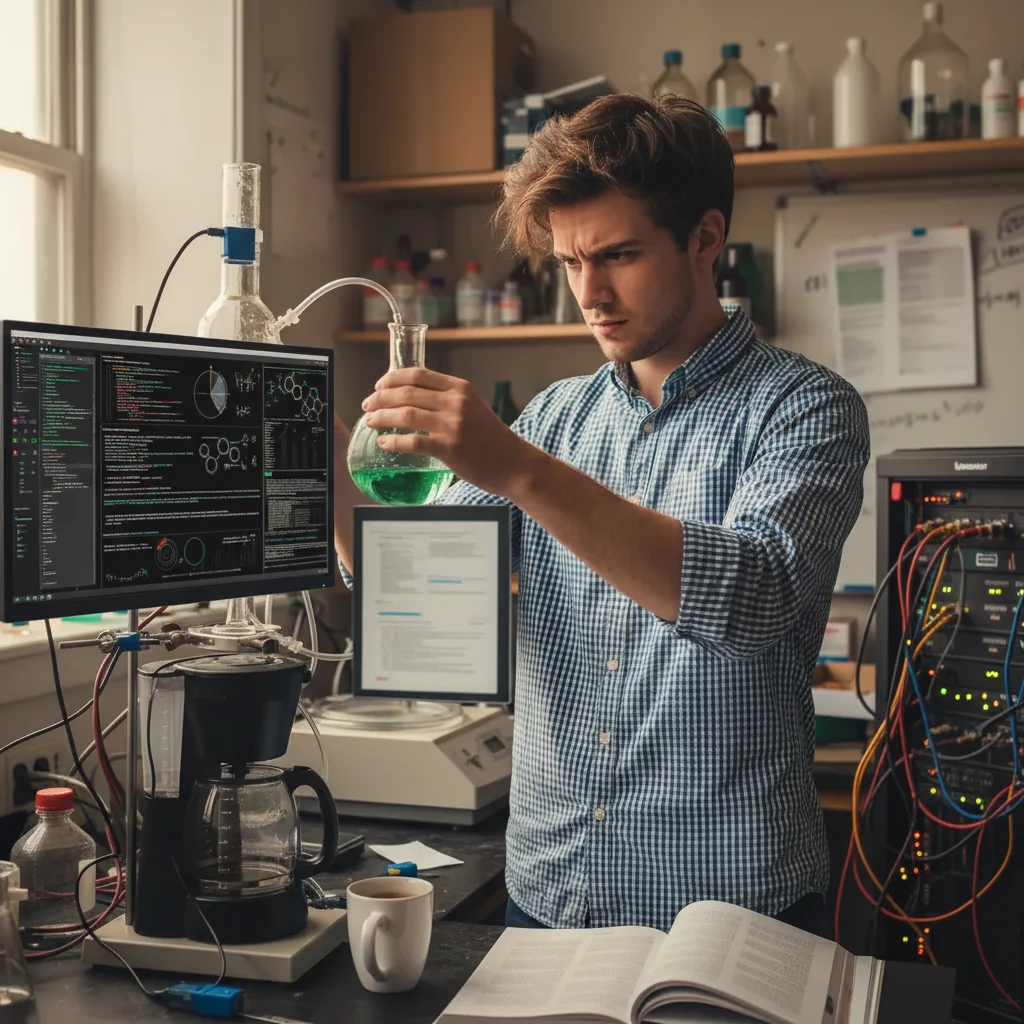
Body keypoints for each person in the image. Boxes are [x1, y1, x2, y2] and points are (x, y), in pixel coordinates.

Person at [333, 94, 870, 937]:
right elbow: (424, 603)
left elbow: (754, 597)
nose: (591, 292)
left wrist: (512, 466)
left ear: (704, 238)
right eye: (570, 261)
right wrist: (324, 461)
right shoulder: (554, 419)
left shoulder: (805, 407)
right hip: (549, 894)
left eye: (618, 254)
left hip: (728, 910)